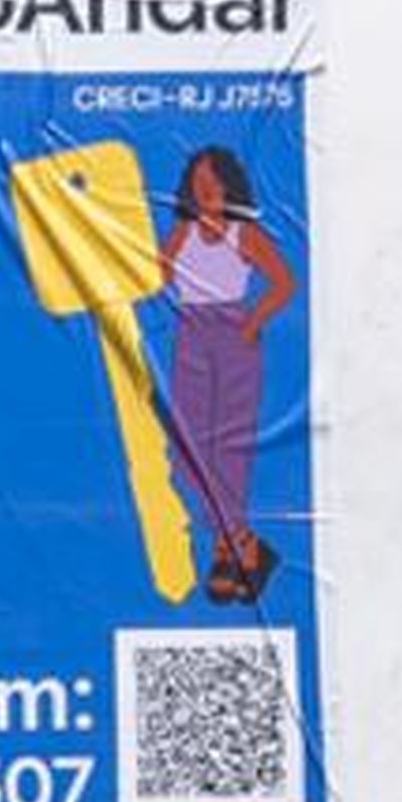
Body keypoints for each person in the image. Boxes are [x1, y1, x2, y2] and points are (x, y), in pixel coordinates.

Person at [152, 145, 297, 603]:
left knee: (229, 446)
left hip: (234, 334)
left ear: (229, 186)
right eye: (198, 182)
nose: (206, 188)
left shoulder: (244, 232)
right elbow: (154, 277)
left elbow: (283, 282)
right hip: (191, 336)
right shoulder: (182, 233)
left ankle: (225, 551)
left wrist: (252, 323)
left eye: (214, 181)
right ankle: (244, 544)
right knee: (186, 451)